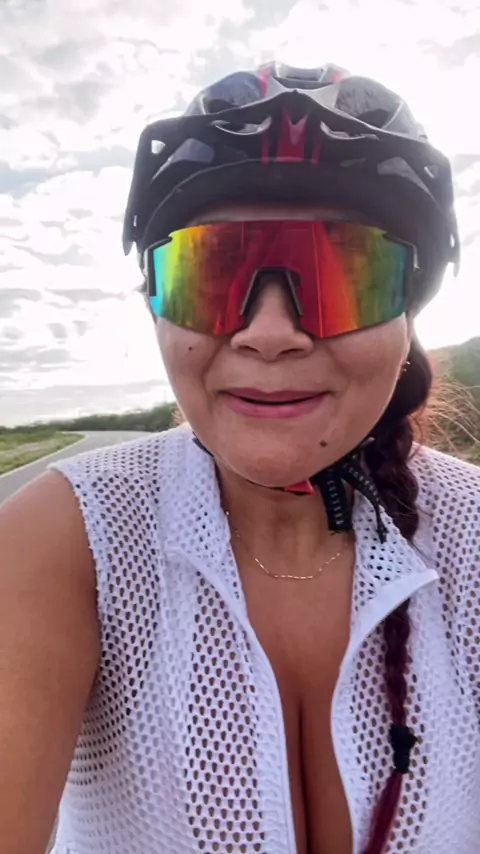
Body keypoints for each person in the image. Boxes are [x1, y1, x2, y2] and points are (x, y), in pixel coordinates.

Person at [0, 61, 478, 854]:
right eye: (211, 273)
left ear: (409, 315)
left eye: (344, 274)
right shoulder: (64, 540)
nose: (269, 333)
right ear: (154, 304)